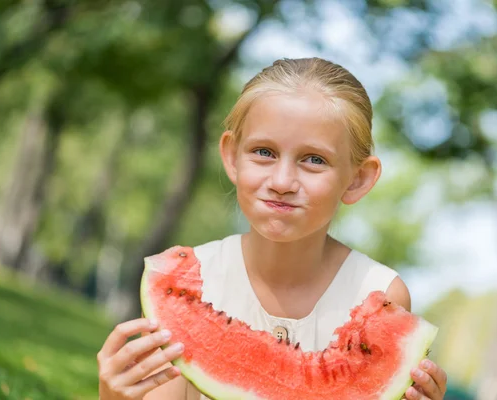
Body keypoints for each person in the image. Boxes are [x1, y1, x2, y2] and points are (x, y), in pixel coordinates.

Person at [97, 57, 448, 400]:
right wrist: (114, 397)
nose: (282, 181)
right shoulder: (188, 285)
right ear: (233, 157)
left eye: (314, 160)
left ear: (357, 179)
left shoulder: (377, 291)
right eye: (264, 152)